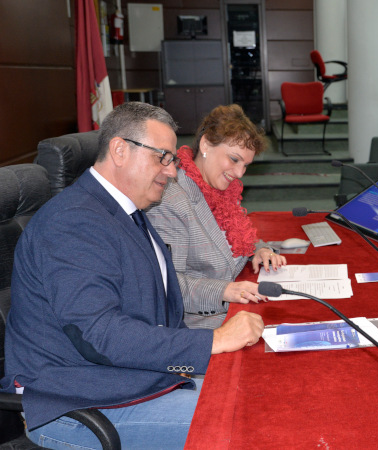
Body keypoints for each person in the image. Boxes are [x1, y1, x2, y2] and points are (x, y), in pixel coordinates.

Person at [0, 102, 265, 449]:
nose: (172, 172)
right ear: (120, 150)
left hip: (128, 380)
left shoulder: (126, 212)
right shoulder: (73, 222)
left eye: (172, 160)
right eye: (163, 157)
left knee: (257, 391)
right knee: (248, 424)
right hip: (77, 405)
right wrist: (212, 342)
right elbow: (99, 335)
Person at [147, 104, 286, 329]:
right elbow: (167, 286)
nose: (240, 173)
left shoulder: (221, 192)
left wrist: (259, 249)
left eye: (246, 165)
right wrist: (225, 291)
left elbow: (230, 240)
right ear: (206, 145)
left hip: (236, 307)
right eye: (234, 159)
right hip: (203, 323)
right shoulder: (171, 201)